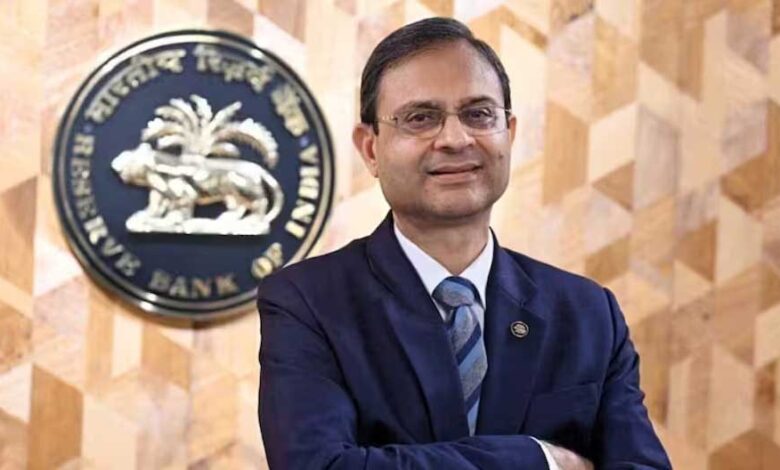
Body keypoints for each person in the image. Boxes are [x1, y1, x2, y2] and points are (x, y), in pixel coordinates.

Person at [257, 17, 671, 470]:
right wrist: (536, 458)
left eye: (478, 114)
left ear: (509, 133)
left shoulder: (588, 313)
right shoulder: (307, 302)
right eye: (421, 118)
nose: (455, 139)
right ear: (371, 148)